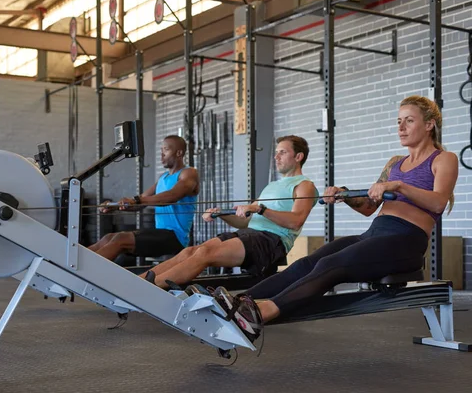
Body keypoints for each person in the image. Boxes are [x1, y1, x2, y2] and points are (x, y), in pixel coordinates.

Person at [207, 95, 459, 343]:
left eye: (409, 121)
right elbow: (369, 208)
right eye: (398, 121)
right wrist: (344, 195)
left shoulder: (443, 159)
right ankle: (235, 303)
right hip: (374, 234)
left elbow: (438, 201)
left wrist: (399, 186)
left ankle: (260, 314)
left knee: (332, 265)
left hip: (406, 240)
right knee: (307, 263)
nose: (401, 128)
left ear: (429, 125)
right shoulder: (395, 163)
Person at [141, 135, 318, 289]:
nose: (276, 156)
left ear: (298, 157)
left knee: (204, 255)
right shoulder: (272, 185)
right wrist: (221, 214)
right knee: (191, 251)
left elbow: (296, 221)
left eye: (282, 152)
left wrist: (261, 209)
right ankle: (137, 282)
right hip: (249, 233)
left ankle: (148, 289)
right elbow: (245, 221)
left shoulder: (304, 185)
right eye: (277, 152)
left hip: (270, 242)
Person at [88, 135, 199, 261]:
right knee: (108, 238)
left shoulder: (189, 173)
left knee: (120, 240)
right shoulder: (163, 178)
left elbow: (170, 197)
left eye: (166, 150)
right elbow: (140, 201)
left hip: (175, 238)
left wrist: (135, 200)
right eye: (161, 150)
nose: (162, 155)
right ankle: (72, 267)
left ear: (179, 153)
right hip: (160, 233)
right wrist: (115, 206)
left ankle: (85, 273)